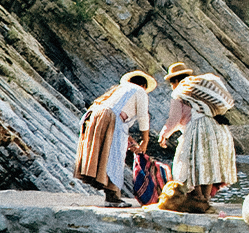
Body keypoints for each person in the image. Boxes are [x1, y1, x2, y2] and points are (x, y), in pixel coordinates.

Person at [157, 61, 236, 213]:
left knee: (192, 162)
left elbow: (174, 118)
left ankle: (198, 196)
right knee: (208, 163)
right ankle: (205, 199)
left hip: (197, 130)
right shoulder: (199, 92)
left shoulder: (179, 93)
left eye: (171, 83)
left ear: (174, 81)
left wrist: (164, 135)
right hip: (216, 129)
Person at [74, 69, 156, 207]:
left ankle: (110, 195)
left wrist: (129, 139)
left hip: (95, 116)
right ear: (144, 85)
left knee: (103, 154)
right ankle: (112, 197)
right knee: (115, 156)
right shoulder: (140, 91)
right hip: (110, 118)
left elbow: (116, 112)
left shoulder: (118, 90)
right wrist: (145, 140)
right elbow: (143, 117)